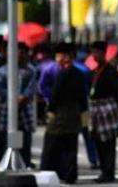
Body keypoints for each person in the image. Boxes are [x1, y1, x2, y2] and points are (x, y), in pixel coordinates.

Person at [40, 42, 88, 184]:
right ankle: (70, 175)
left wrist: (51, 110)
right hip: (75, 112)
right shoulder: (79, 73)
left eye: (59, 56)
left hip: (60, 113)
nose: (57, 59)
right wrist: (83, 112)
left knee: (51, 142)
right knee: (70, 145)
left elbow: (56, 94)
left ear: (66, 56)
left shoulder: (62, 73)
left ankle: (48, 172)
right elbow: (83, 94)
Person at [89, 41, 118, 183]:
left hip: (108, 108)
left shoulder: (111, 71)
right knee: (98, 141)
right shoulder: (94, 71)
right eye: (93, 52)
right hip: (95, 109)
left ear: (103, 53)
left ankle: (109, 172)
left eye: (97, 52)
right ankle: (104, 171)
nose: (94, 55)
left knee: (109, 143)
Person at [0, 42, 37, 168]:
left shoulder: (31, 70)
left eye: (23, 53)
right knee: (5, 134)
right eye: (18, 53)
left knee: (26, 135)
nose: (20, 56)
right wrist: (12, 97)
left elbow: (32, 87)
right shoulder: (2, 71)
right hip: (7, 108)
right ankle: (5, 160)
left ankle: (26, 161)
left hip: (25, 108)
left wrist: (23, 97)